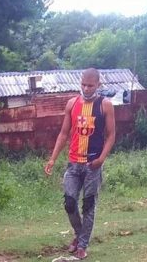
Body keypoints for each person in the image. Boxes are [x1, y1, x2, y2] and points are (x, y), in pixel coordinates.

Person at [44, 68, 115, 260]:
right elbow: (63, 134)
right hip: (73, 164)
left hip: (93, 165)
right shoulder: (72, 104)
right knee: (69, 202)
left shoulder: (105, 105)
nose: (86, 88)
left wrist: (101, 159)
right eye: (83, 84)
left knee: (89, 206)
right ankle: (78, 234)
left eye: (90, 85)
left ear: (98, 85)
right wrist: (52, 158)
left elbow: (111, 136)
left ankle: (83, 245)